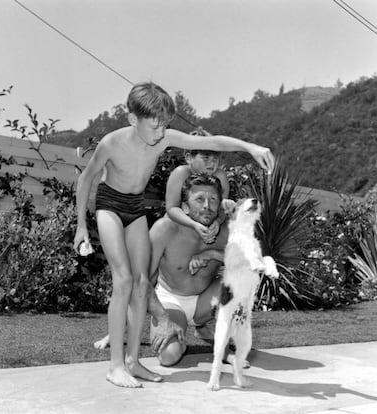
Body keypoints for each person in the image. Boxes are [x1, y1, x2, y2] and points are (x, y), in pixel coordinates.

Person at [73, 82, 274, 388]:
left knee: (141, 284)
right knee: (124, 279)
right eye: (155, 125)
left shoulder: (162, 138)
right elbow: (86, 180)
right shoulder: (112, 143)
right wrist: (81, 227)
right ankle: (115, 366)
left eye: (165, 125)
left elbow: (215, 142)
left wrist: (251, 147)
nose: (160, 132)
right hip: (109, 205)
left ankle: (132, 362)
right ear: (132, 119)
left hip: (135, 207)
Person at [95, 173, 230, 366]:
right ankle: (179, 336)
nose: (207, 206)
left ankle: (218, 339)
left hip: (205, 302)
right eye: (199, 199)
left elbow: (251, 265)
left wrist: (213, 255)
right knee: (169, 356)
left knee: (235, 283)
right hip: (171, 302)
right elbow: (140, 280)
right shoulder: (165, 229)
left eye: (213, 200)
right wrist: (163, 317)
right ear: (185, 207)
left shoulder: (226, 232)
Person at [165, 128, 230, 244]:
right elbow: (171, 208)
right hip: (183, 223)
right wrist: (193, 224)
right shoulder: (180, 173)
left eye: (215, 159)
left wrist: (217, 222)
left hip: (209, 222)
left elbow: (223, 207)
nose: (212, 163)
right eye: (206, 158)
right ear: (189, 158)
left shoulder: (220, 176)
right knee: (165, 224)